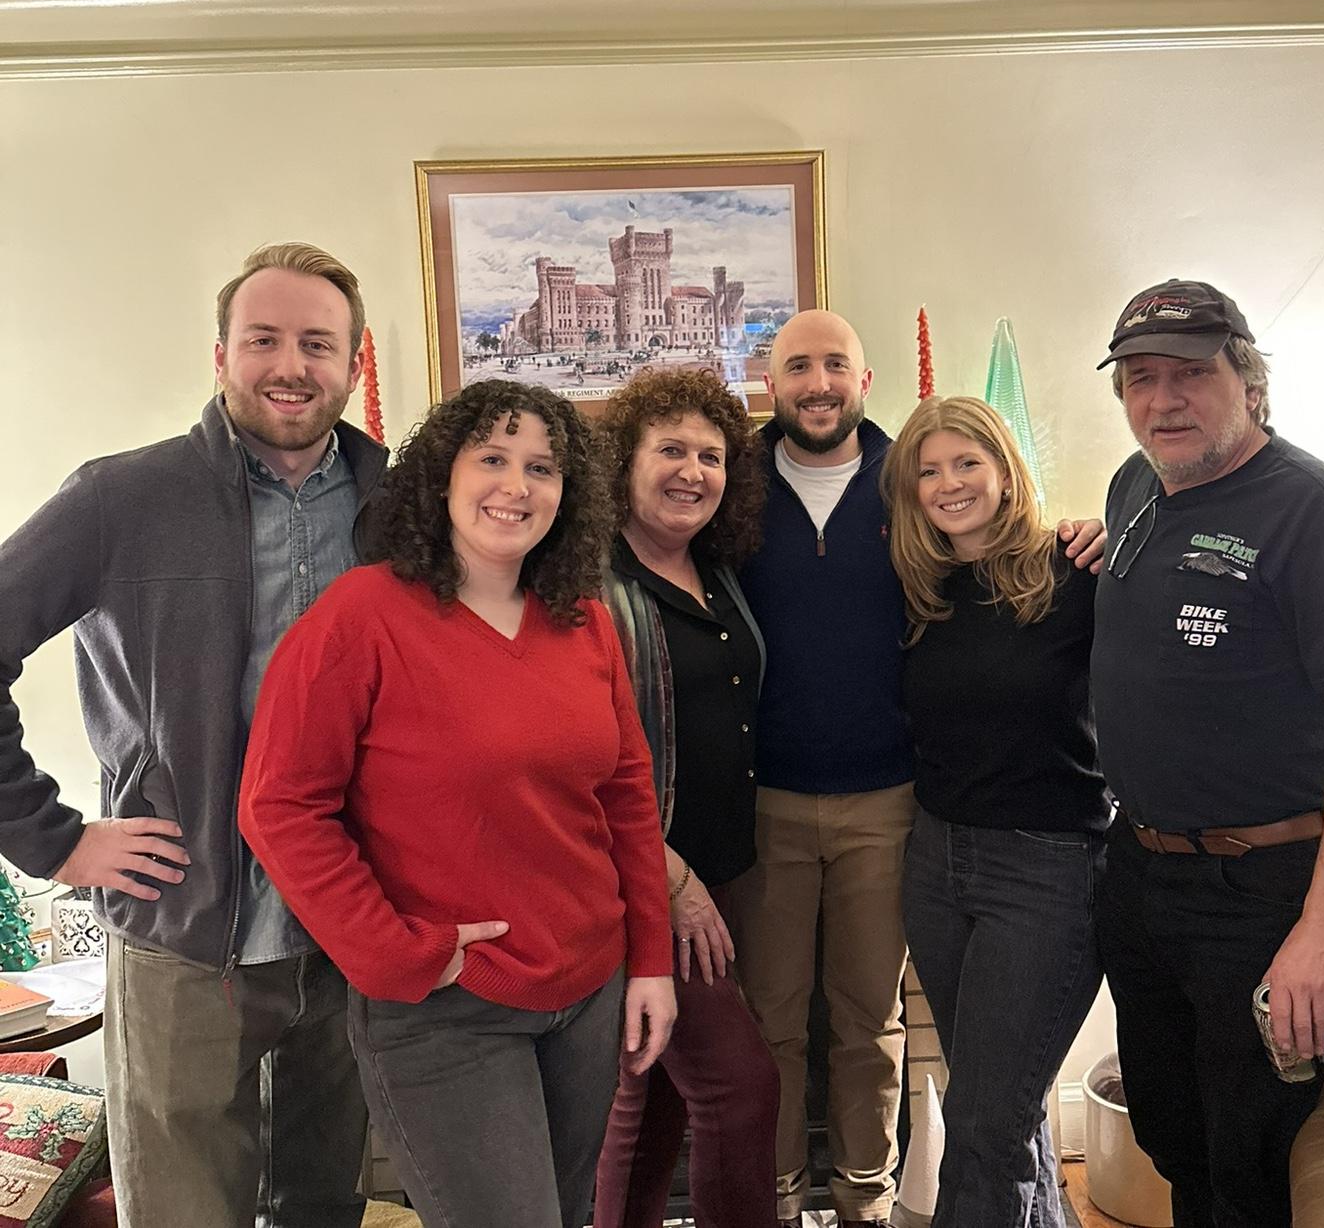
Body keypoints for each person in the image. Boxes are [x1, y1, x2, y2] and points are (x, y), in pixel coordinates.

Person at [0, 242, 379, 1228]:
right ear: (221, 355)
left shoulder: (404, 508)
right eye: (263, 339)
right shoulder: (121, 498)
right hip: (186, 938)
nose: (290, 366)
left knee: (327, 1206)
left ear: (354, 362)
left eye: (316, 343)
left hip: (352, 938)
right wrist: (53, 839)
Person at [239, 379, 676, 1228]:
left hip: (589, 993)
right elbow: (277, 806)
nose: (517, 486)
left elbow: (625, 794)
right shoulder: (360, 616)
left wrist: (649, 960)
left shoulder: (583, 621)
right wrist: (390, 952)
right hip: (446, 1007)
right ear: (444, 476)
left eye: (542, 468)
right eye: (493, 459)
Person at [734, 309, 1103, 1227]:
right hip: (775, 803)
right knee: (772, 1023)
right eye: (798, 365)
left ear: (865, 380)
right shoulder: (731, 486)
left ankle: (867, 1204)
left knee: (882, 1030)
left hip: (902, 808)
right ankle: (777, 1201)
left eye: (837, 364)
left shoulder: (907, 480)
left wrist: (1099, 533)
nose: (818, 382)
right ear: (770, 383)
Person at [1091, 278, 1324, 1228]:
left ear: (1251, 383)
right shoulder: (1134, 488)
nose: (1163, 400)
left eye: (1191, 374)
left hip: (1262, 893)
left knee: (1256, 1162)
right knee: (1175, 1137)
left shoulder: (1319, 509)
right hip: (1140, 875)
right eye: (1140, 380)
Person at [883, 395, 1109, 1228]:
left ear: (1005, 471)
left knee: (982, 1127)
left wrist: (1110, 536)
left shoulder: (1076, 573)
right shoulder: (919, 594)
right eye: (928, 471)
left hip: (1047, 871)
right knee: (1002, 1107)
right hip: (935, 865)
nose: (949, 484)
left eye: (966, 463)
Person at [591, 367, 780, 1228]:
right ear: (624, 463)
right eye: (670, 449)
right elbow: (584, 764)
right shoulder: (590, 586)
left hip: (721, 868)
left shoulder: (716, 568)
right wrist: (672, 881)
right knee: (739, 1089)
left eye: (711, 455)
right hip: (646, 883)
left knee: (652, 1095)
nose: (692, 471)